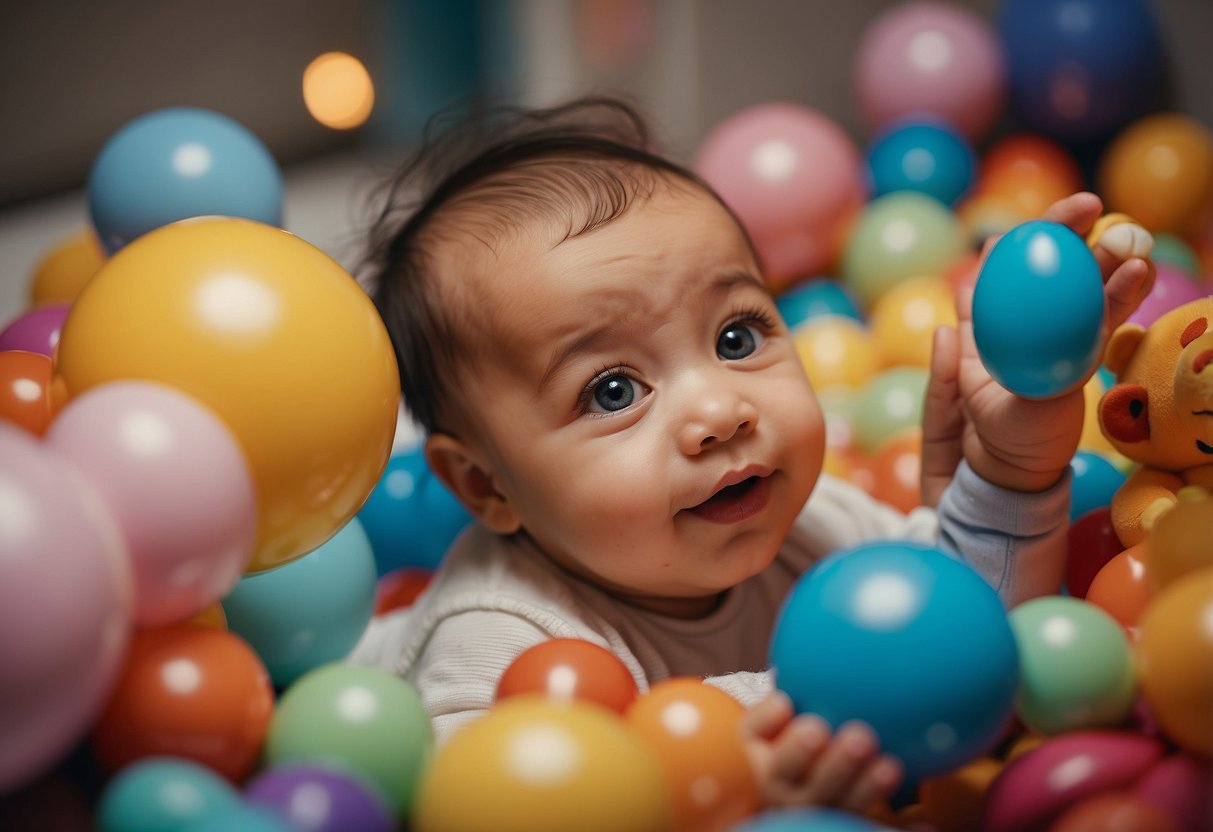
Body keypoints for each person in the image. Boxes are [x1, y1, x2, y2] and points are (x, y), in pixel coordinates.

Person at [349, 97, 1154, 811]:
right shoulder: (496, 636)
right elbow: (492, 800)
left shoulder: (809, 519)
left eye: (736, 337)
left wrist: (1012, 464)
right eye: (613, 392)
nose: (719, 412)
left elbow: (969, 625)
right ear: (486, 486)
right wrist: (720, 792)